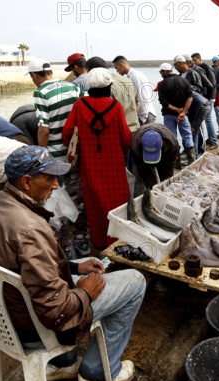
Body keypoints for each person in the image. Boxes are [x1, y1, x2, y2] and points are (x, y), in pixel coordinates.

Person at [0, 145, 146, 381]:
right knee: (135, 281)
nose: (57, 185)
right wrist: (85, 292)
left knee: (76, 278)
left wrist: (74, 267)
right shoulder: (31, 229)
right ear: (27, 182)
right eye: (49, 178)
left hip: (7, 321)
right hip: (37, 329)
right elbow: (56, 311)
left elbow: (22, 266)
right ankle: (97, 372)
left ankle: (63, 363)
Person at [62, 68, 133, 250]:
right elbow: (125, 137)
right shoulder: (115, 106)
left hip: (90, 164)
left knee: (94, 205)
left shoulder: (79, 105)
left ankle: (100, 242)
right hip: (113, 164)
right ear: (109, 85)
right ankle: (118, 241)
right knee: (117, 203)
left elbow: (68, 132)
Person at [28, 58, 90, 258]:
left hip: (56, 157)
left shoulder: (40, 93)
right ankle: (83, 240)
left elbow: (44, 129)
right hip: (76, 152)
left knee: (56, 199)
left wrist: (40, 153)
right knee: (78, 196)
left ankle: (65, 247)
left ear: (35, 76)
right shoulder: (72, 87)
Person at [85, 56, 140, 134]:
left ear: (93, 71)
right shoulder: (127, 80)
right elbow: (138, 103)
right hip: (134, 130)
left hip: (118, 132)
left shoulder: (103, 86)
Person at [157, 62, 197, 165]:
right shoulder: (184, 81)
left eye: (161, 71)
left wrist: (176, 110)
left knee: (172, 138)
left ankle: (176, 162)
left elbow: (163, 102)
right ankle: (192, 161)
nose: (161, 73)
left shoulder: (162, 84)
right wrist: (183, 112)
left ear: (166, 71)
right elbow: (190, 97)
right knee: (187, 136)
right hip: (183, 116)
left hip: (169, 115)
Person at [130, 124, 179, 193]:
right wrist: (153, 189)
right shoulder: (135, 146)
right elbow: (144, 171)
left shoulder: (172, 144)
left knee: (165, 181)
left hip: (165, 152)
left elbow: (168, 169)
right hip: (140, 154)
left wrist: (165, 188)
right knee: (140, 179)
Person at [112, 56, 157, 125]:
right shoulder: (133, 75)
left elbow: (142, 96)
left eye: (116, 68)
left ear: (121, 65)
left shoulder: (134, 76)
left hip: (145, 115)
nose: (117, 71)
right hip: (145, 114)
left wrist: (142, 117)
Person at [191, 52, 218, 149]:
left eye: (195, 60)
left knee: (208, 119)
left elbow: (213, 83)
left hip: (209, 97)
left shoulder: (206, 67)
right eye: (192, 61)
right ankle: (210, 139)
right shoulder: (198, 69)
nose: (194, 63)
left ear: (199, 59)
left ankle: (214, 141)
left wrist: (209, 97)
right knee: (207, 120)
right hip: (205, 97)